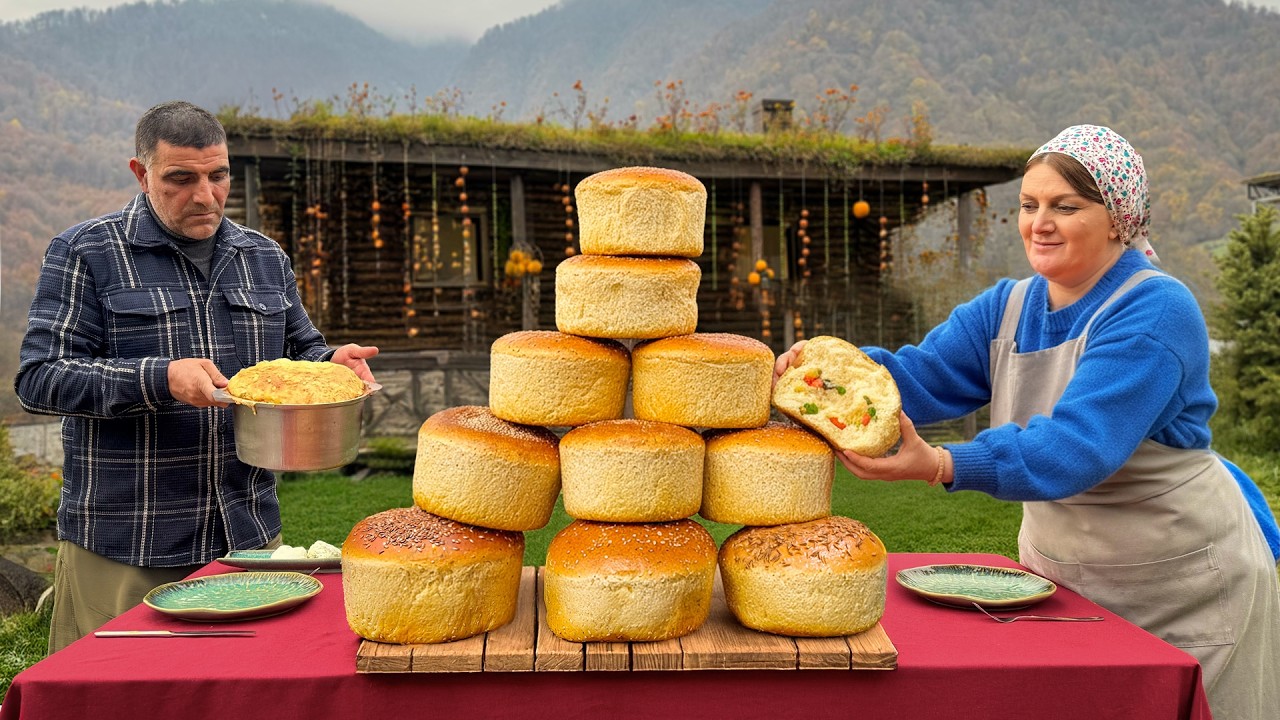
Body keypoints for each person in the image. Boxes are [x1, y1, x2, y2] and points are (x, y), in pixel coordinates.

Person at [776, 125, 1279, 719]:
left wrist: (942, 463)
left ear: (1119, 220)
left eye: (1065, 207)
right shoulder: (1008, 306)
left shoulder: (1156, 310)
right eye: (1029, 204)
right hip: (1061, 580)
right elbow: (918, 377)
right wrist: (822, 378)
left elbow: (1076, 448)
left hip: (1179, 583)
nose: (1040, 223)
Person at [15, 100, 379, 654]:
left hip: (248, 537)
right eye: (181, 179)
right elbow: (41, 377)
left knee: (245, 688)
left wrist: (331, 364)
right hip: (128, 543)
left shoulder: (264, 256)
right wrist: (159, 378)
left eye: (218, 176)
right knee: (120, 690)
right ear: (142, 174)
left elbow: (301, 349)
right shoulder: (86, 252)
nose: (206, 196)